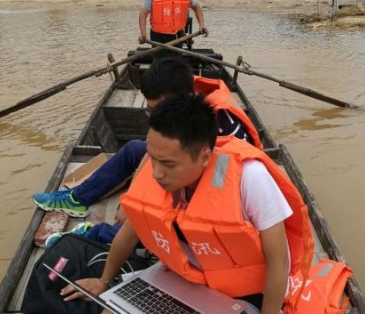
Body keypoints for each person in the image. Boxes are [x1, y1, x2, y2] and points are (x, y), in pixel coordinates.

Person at [61, 94, 314, 313]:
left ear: (204, 156)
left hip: (238, 296)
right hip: (179, 279)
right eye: (152, 158)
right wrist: (104, 280)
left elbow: (279, 261)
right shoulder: (158, 173)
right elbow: (127, 236)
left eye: (169, 164)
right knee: (111, 309)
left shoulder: (251, 179)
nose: (156, 173)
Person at [32, 57, 261, 219]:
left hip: (215, 195)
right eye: (150, 110)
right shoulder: (188, 106)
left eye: (156, 109)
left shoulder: (216, 126)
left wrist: (136, 203)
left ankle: (105, 235)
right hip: (192, 172)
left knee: (145, 211)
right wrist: (134, 195)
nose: (153, 116)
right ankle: (78, 199)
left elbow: (209, 184)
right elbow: (154, 152)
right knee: (134, 149)